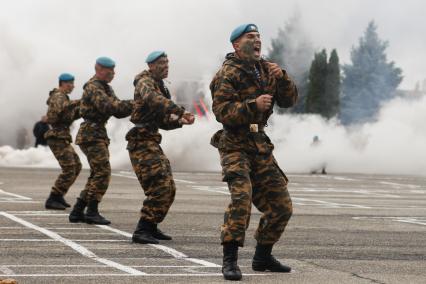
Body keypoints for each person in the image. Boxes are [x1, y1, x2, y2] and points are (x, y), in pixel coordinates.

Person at [210, 24, 298, 281]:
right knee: (242, 198)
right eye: (250, 37)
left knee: (281, 205)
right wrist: (252, 105)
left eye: (259, 36)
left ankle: (262, 257)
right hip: (234, 144)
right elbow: (221, 112)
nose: (257, 40)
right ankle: (230, 260)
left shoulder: (266, 69)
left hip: (259, 143)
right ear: (236, 45)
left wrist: (282, 77)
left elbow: (290, 100)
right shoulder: (226, 74)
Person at [126, 51, 195, 244]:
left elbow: (162, 121)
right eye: (161, 64)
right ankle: (142, 230)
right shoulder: (145, 82)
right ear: (151, 66)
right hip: (141, 141)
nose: (166, 67)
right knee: (160, 186)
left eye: (167, 63)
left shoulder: (160, 86)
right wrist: (179, 110)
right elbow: (153, 99)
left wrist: (179, 121)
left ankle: (152, 225)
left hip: (151, 140)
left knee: (169, 187)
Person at [69, 57, 133, 225]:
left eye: (113, 71)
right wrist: (136, 103)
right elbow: (110, 107)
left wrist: (133, 104)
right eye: (108, 70)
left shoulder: (105, 88)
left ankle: (78, 210)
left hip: (96, 133)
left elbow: (118, 110)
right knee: (103, 172)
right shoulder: (93, 87)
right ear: (97, 68)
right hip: (91, 134)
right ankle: (91, 211)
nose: (112, 74)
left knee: (97, 173)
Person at [44, 73, 82, 210]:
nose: (72, 86)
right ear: (62, 83)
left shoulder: (63, 97)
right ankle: (53, 198)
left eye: (72, 83)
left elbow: (68, 114)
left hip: (62, 136)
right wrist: (80, 102)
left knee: (77, 166)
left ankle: (59, 195)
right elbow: (62, 110)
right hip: (57, 136)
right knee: (69, 168)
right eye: (69, 83)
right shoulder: (58, 96)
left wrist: (80, 110)